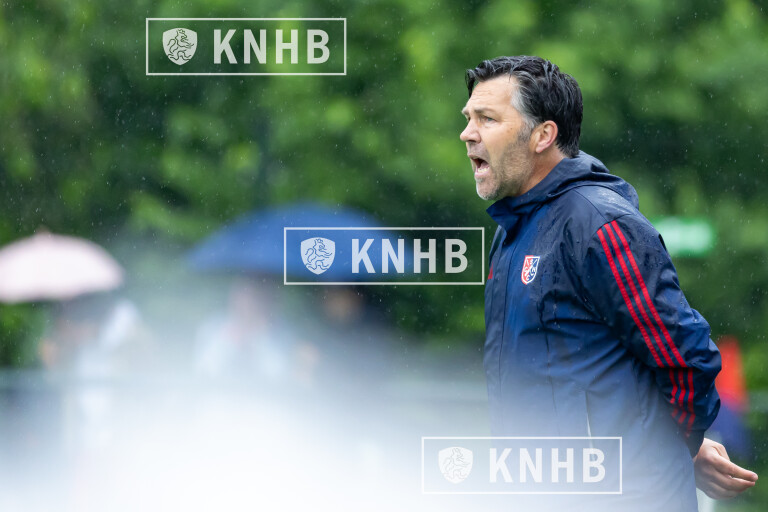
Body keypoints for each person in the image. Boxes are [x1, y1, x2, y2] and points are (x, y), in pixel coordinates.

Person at [460, 56, 757, 510]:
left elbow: (686, 357)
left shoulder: (599, 223)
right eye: (468, 118)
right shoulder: (511, 231)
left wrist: (671, 448)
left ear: (543, 135)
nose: (468, 133)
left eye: (487, 118)